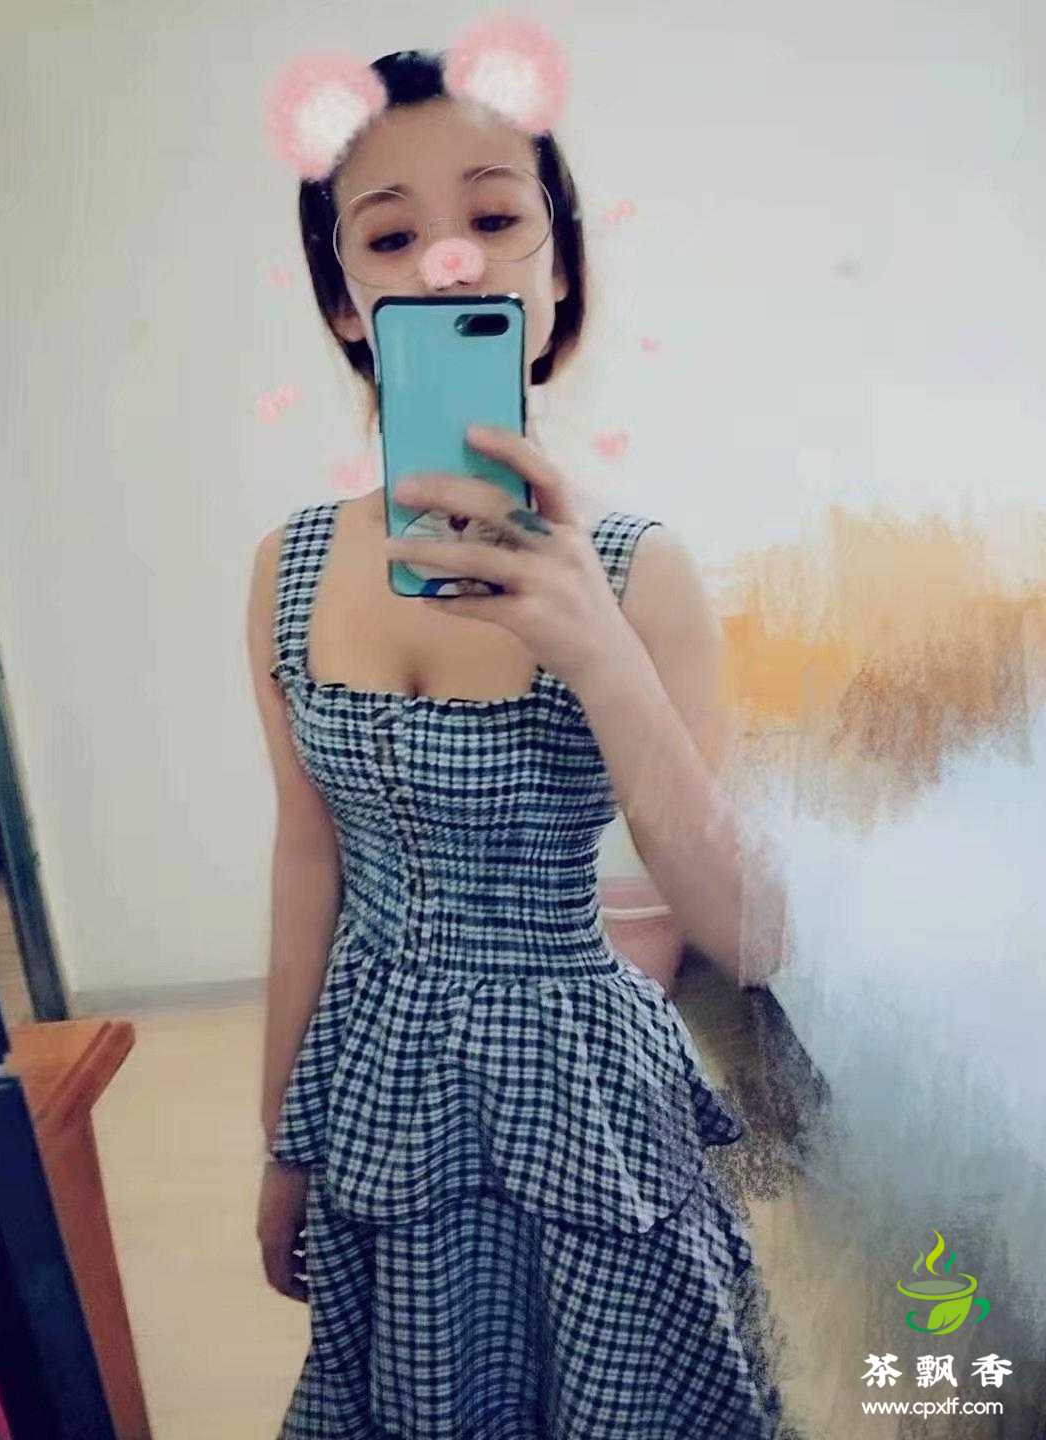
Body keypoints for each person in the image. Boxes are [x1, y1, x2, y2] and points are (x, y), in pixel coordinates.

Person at [247, 17, 796, 1439]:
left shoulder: (642, 570)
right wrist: (280, 1140)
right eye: (391, 237)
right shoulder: (288, 568)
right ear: (344, 305)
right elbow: (307, 859)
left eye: (496, 219)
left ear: (558, 281)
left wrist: (597, 648)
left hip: (585, 1094)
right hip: (376, 1086)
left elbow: (745, 932)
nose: (452, 262)